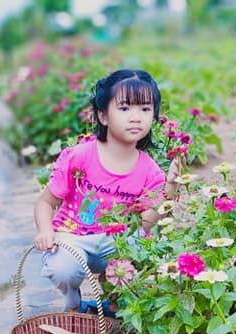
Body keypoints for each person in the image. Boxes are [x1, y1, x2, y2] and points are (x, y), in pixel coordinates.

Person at [32, 68, 180, 313]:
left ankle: (112, 296)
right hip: (72, 238)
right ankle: (74, 304)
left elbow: (145, 226)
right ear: (103, 116)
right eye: (124, 108)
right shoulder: (79, 156)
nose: (136, 117)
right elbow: (45, 203)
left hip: (115, 243)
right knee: (63, 269)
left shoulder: (150, 171)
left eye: (145, 109)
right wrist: (46, 231)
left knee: (145, 249)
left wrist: (172, 185)